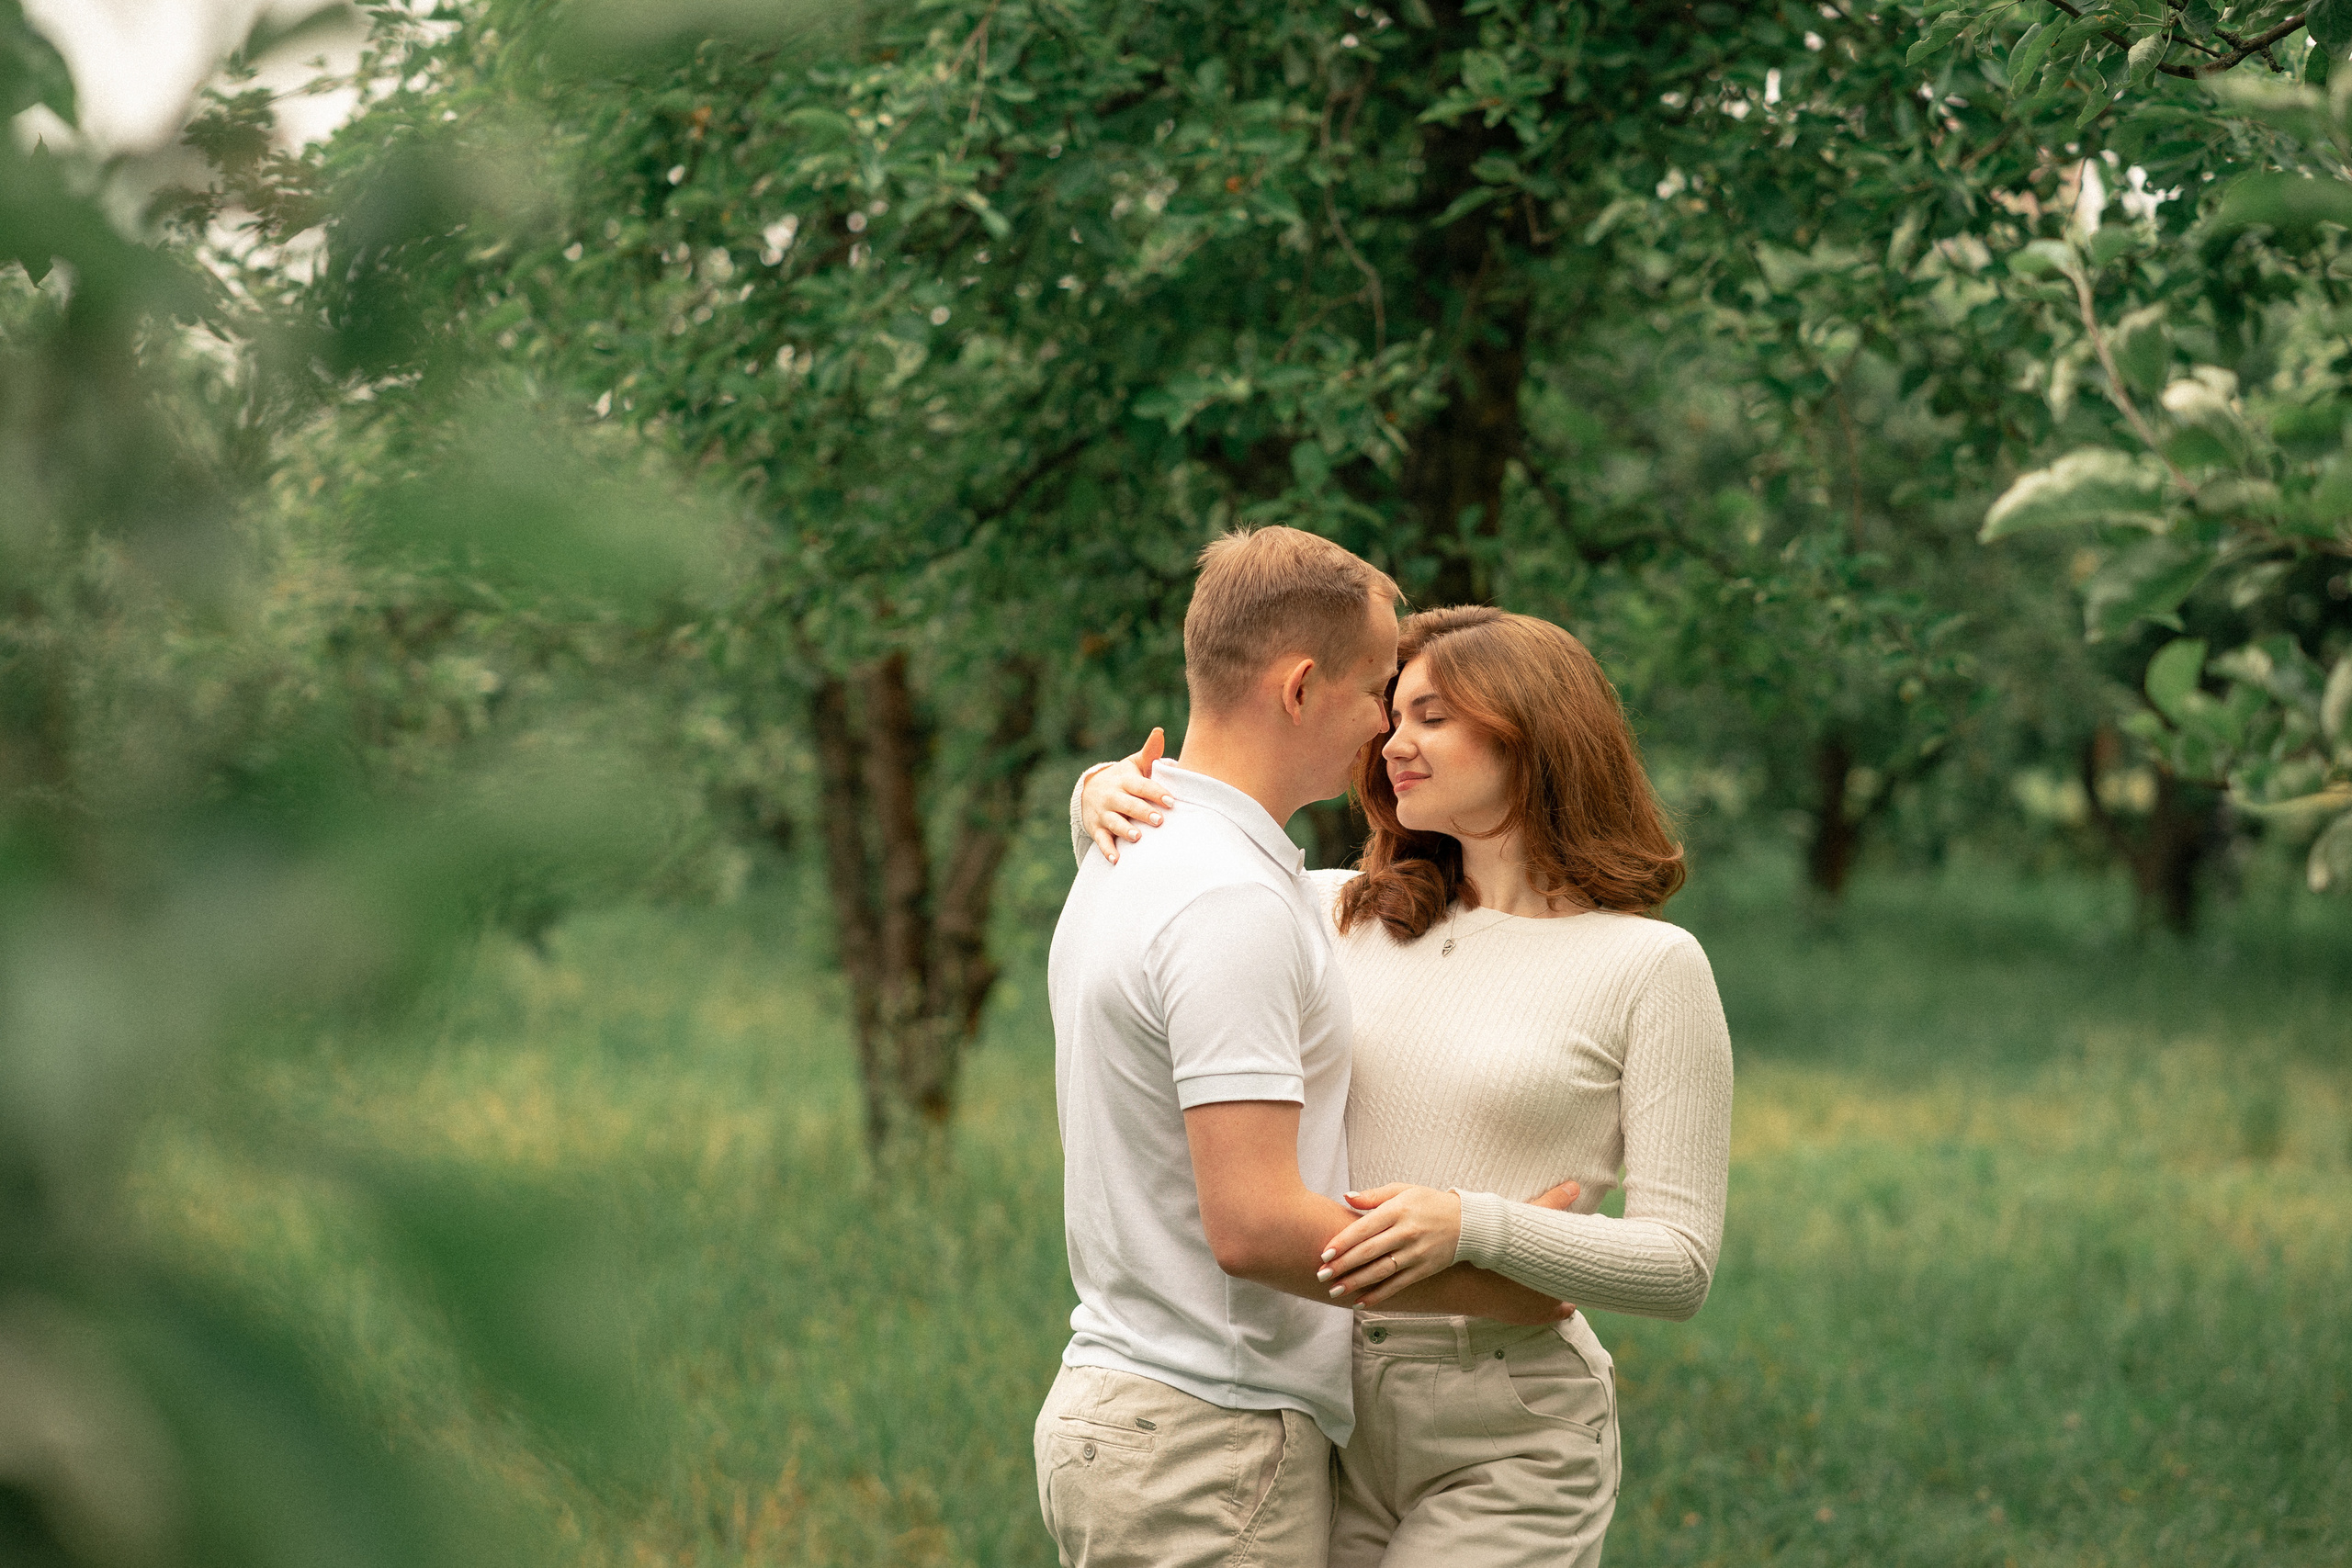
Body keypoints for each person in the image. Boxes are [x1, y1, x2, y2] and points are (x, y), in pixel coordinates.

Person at [1075, 604, 1734, 1568]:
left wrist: (1474, 1224)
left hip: (1509, 1430)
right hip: (1322, 1409)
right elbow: (1167, 874)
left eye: (1430, 715)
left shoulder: (1649, 966)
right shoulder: (1336, 911)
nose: (1391, 739)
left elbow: (1679, 1263)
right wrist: (1095, 794)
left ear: (1531, 729)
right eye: (1390, 710)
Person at [1038, 535, 1583, 1568]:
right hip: (1209, 1435)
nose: (1386, 725)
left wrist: (1093, 787)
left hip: (1141, 1411)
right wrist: (1494, 1277)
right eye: (1379, 689)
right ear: (1299, 688)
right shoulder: (1228, 901)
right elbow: (1250, 1225)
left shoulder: (1139, 847)